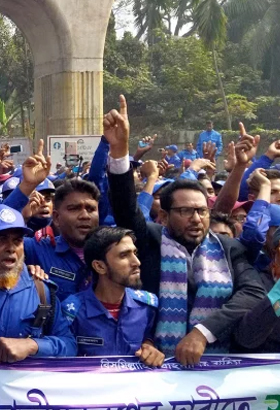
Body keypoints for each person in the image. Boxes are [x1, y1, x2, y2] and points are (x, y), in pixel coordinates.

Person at [104, 95, 266, 365]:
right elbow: (124, 207)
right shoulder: (149, 241)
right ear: (165, 216)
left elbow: (253, 294)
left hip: (217, 370)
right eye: (186, 211)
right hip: (152, 364)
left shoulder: (229, 248)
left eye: (202, 211)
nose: (197, 219)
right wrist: (120, 152)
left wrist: (203, 333)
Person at [0, 204, 77, 362]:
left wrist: (33, 345)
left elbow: (69, 345)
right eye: (1, 239)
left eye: (17, 241)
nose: (11, 248)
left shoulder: (41, 289)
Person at [62, 227, 164, 366]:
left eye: (135, 253)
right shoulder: (71, 311)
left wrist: (150, 346)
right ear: (99, 266)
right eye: (124, 255)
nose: (137, 262)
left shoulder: (148, 306)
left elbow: (150, 338)